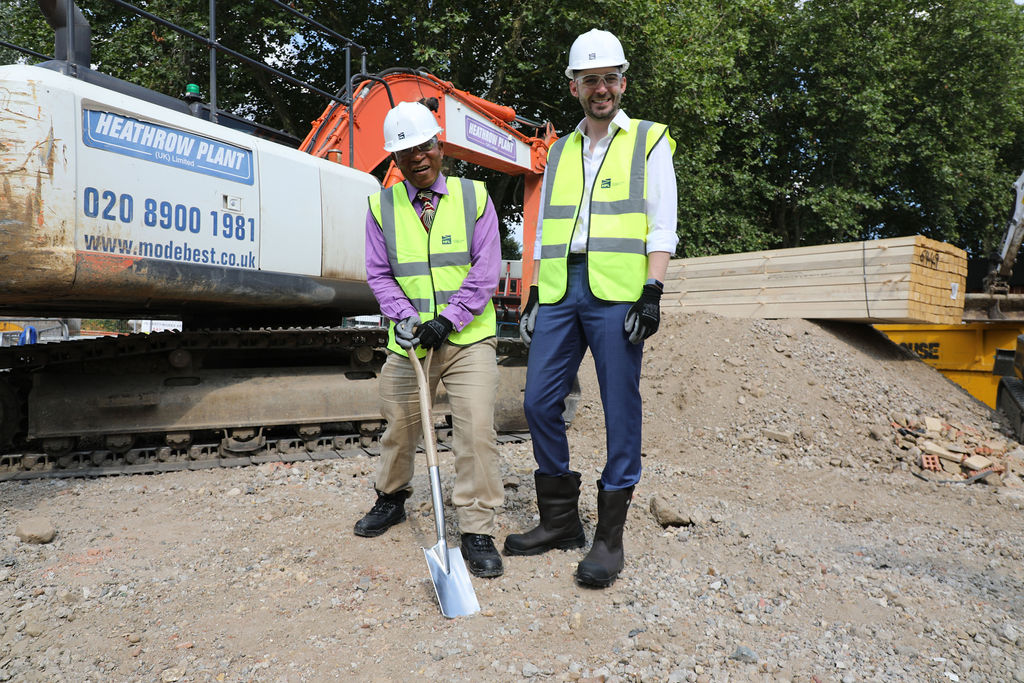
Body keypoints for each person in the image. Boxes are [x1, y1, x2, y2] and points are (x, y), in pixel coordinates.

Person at [503, 29, 678, 588]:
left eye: (609, 79)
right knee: (536, 402)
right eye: (589, 80)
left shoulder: (648, 140)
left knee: (619, 407)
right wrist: (531, 291)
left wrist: (652, 290)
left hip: (619, 291)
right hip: (558, 289)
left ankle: (608, 538)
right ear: (574, 86)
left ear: (621, 83)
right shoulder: (558, 150)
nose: (600, 88)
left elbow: (661, 222)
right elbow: (543, 229)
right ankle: (560, 522)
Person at [356, 100, 505, 578]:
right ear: (393, 161)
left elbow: (485, 271)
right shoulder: (382, 206)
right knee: (398, 428)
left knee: (476, 430)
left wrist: (449, 318)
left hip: (467, 341)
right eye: (405, 153)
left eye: (424, 147)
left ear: (440, 146)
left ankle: (476, 527)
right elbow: (379, 275)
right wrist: (404, 317)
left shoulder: (474, 198)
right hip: (409, 344)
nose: (417, 158)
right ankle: (391, 497)